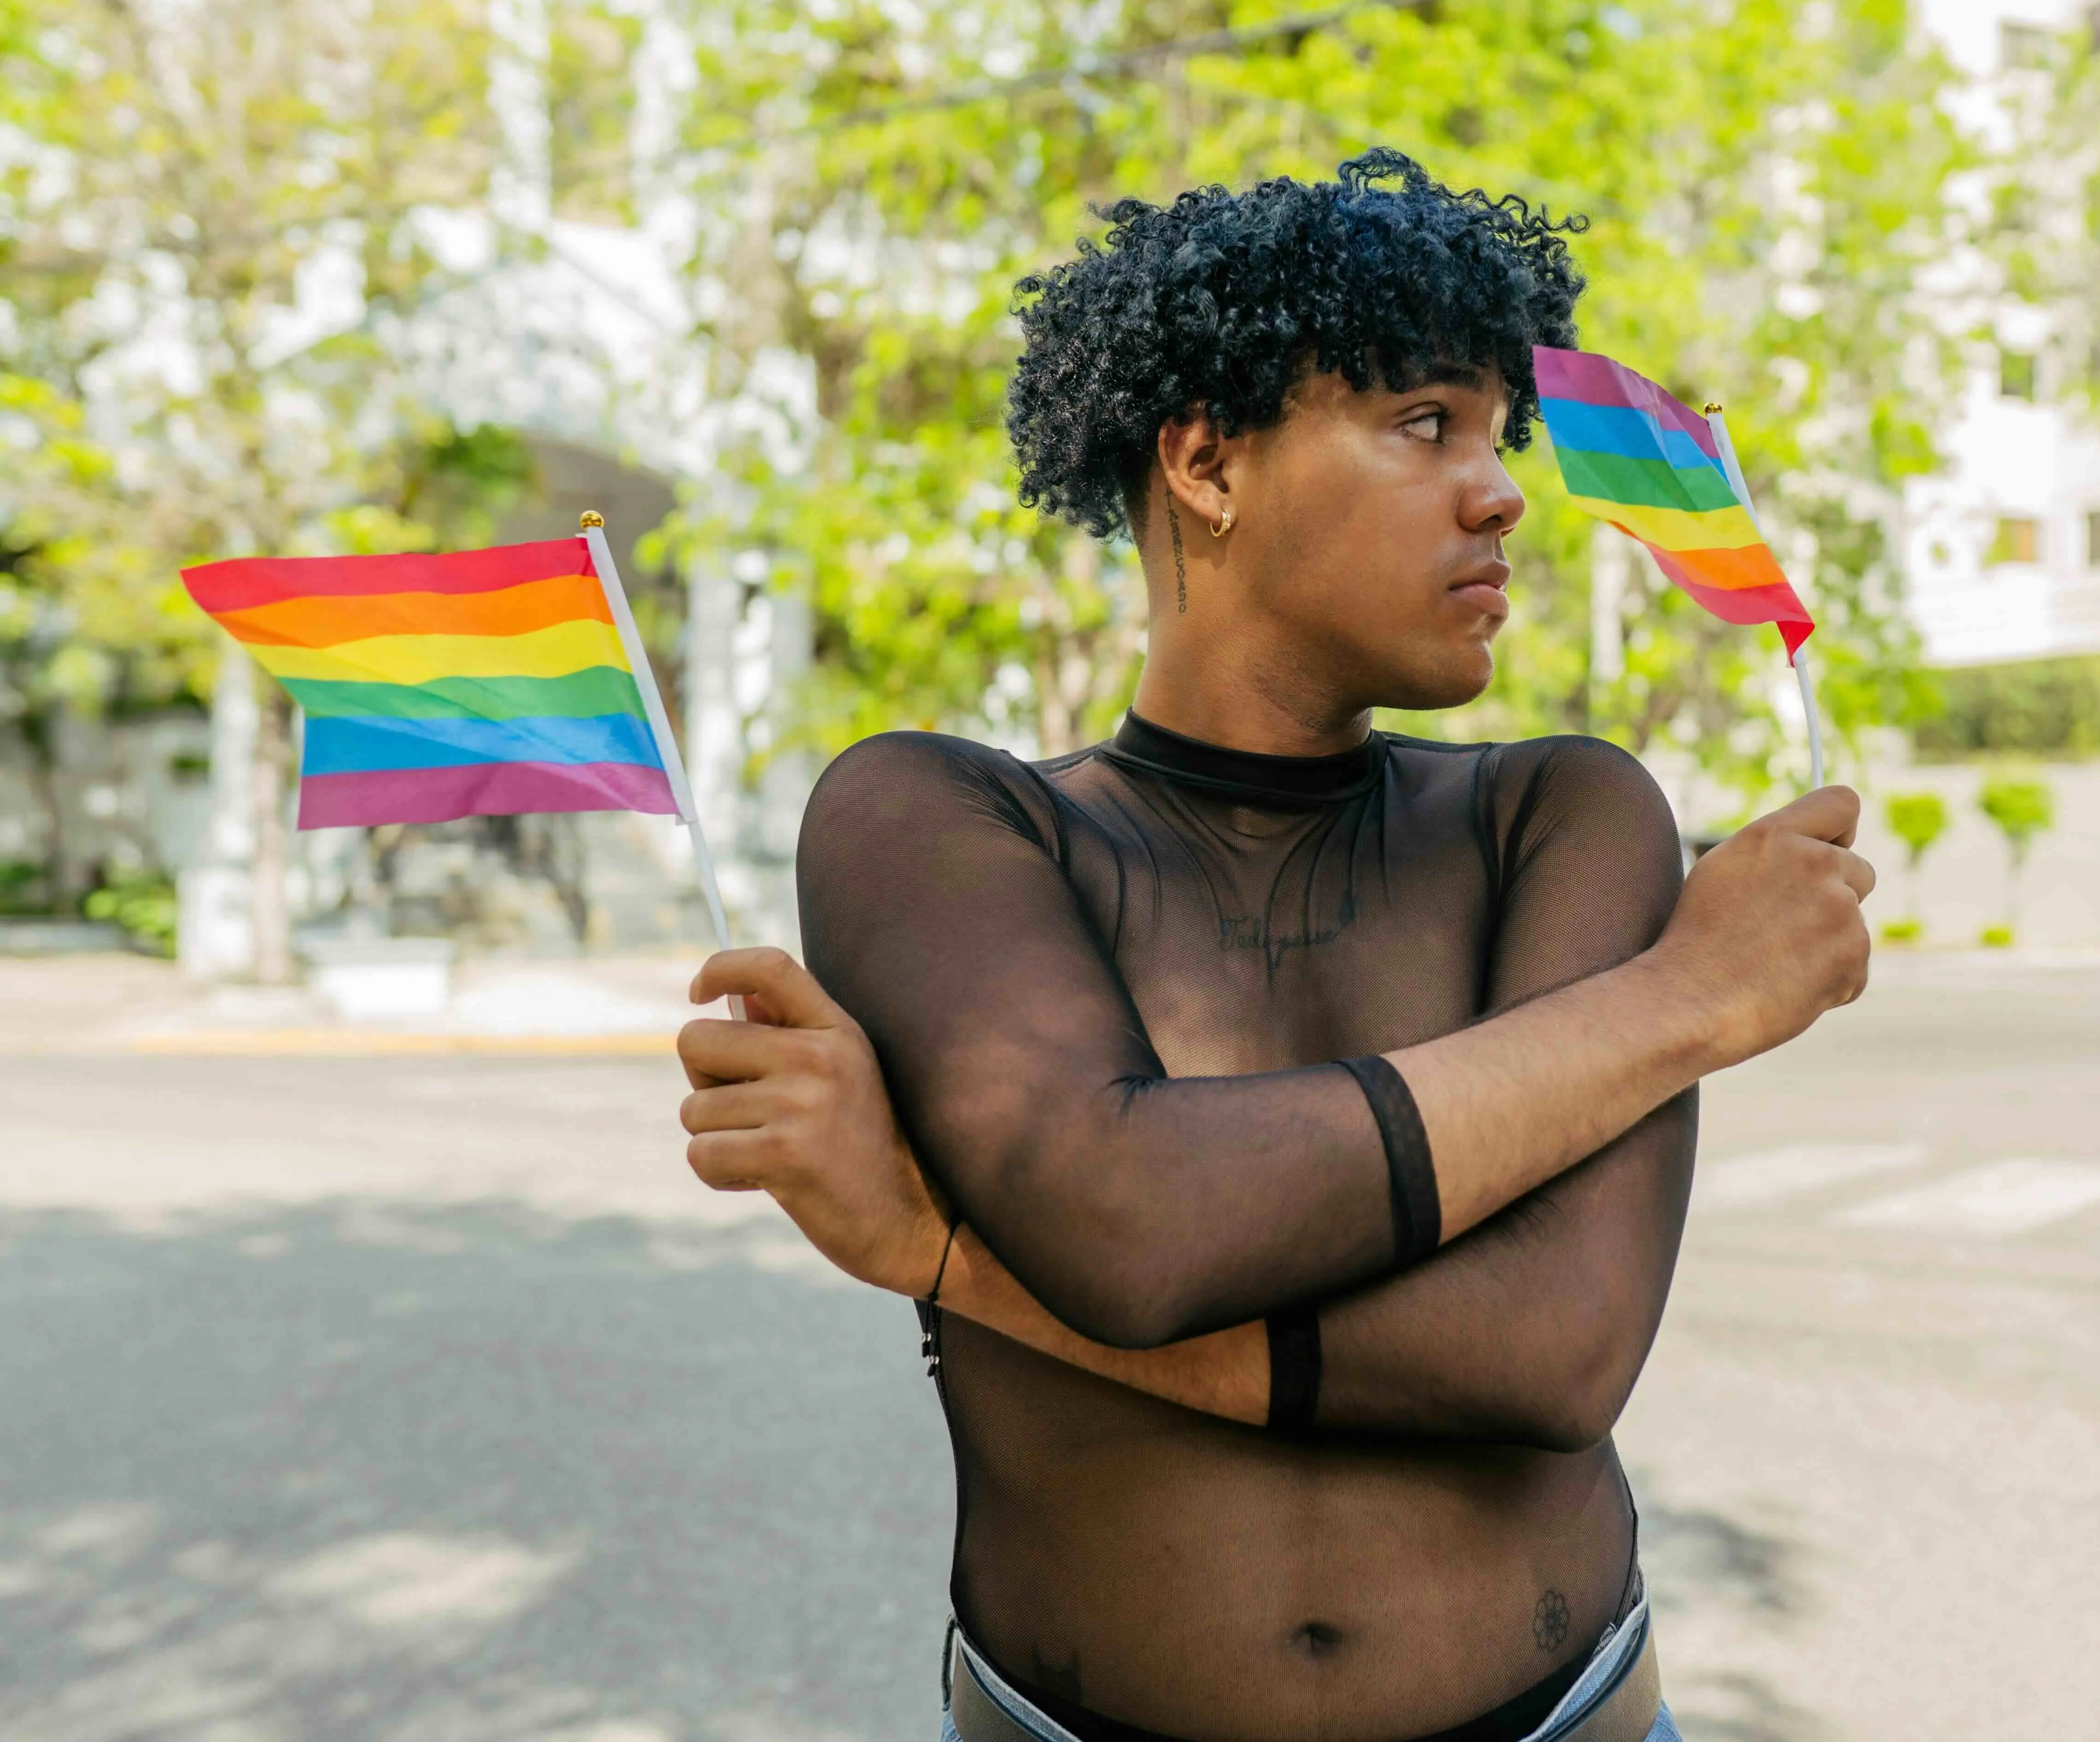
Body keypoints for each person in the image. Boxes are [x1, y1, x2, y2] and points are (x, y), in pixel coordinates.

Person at [675, 150, 1876, 1742]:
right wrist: (1680, 1003)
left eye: (1497, 432)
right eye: (1423, 423)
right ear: (1206, 462)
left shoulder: (1566, 819)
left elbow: (1549, 1357)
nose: (1503, 487)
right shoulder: (932, 823)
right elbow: (1132, 1226)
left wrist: (947, 1255)